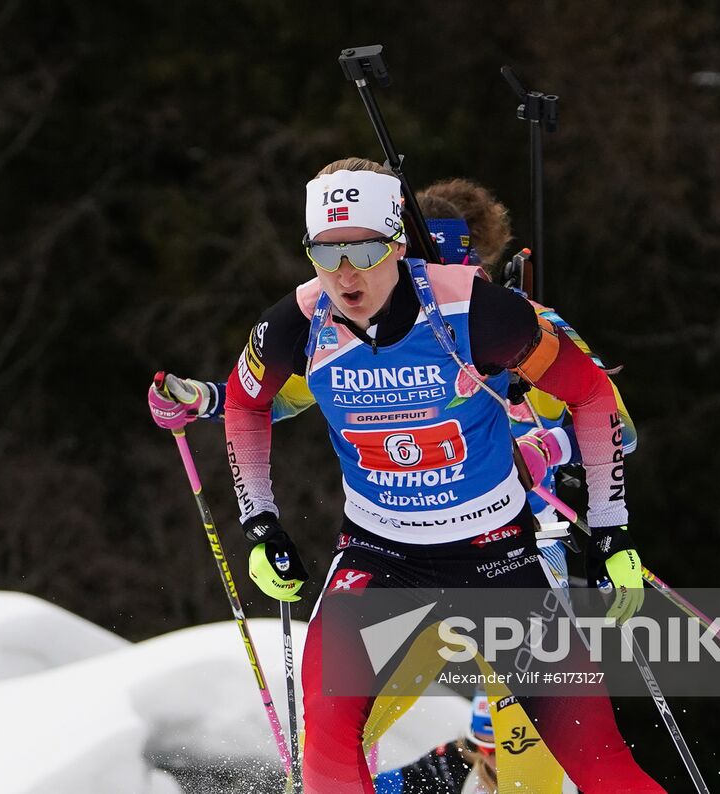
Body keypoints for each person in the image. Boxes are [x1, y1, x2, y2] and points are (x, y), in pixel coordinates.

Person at [148, 178, 638, 792]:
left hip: (519, 546)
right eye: (333, 254)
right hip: (393, 558)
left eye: (455, 254)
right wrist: (204, 400)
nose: (352, 271)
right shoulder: (341, 323)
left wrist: (546, 449)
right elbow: (282, 396)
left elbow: (611, 417)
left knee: (528, 762)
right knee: (336, 736)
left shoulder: (509, 319)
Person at [372, 690, 540, 794]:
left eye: (500, 751)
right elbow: (403, 781)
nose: (488, 758)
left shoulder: (560, 769)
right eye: (481, 747)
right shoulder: (459, 762)